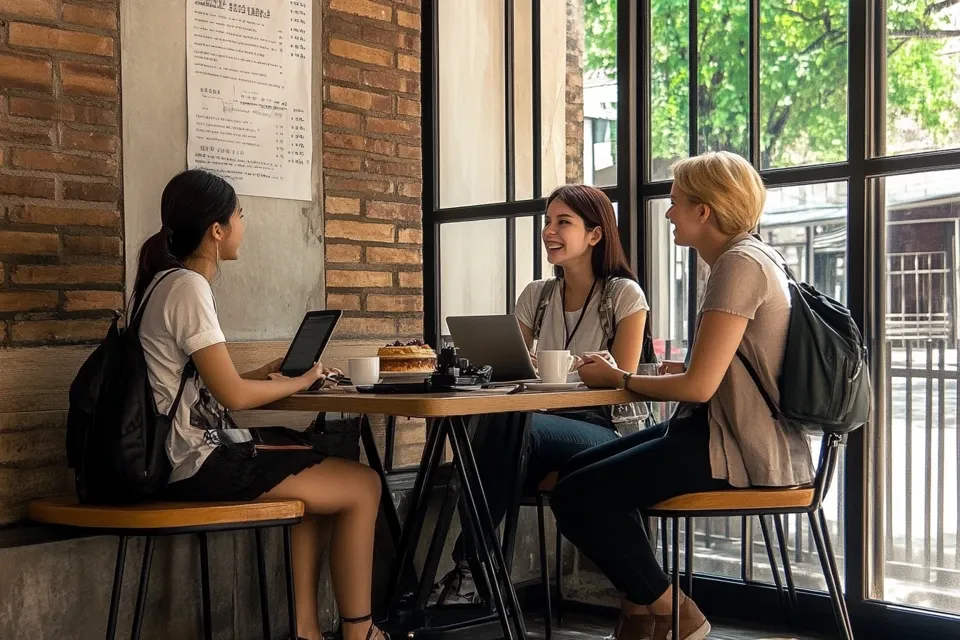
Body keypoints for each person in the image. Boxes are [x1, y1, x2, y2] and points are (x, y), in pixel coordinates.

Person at [552, 151, 815, 640]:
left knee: (576, 496)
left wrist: (621, 379)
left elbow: (698, 387)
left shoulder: (738, 265)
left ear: (705, 211)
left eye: (675, 204)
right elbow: (722, 369)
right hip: (717, 431)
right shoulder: (756, 257)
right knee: (575, 475)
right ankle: (639, 610)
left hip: (738, 447)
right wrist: (671, 370)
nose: (669, 213)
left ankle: (675, 612)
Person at [133, 169, 385, 640]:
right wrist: (306, 378)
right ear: (216, 229)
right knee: (363, 484)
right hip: (191, 461)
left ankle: (306, 633)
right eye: (240, 216)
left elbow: (206, 385)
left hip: (174, 455)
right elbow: (233, 399)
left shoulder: (158, 283)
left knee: (309, 476)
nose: (244, 226)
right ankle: (361, 632)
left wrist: (266, 374)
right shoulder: (187, 287)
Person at [431, 184, 650, 604]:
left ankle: (470, 567)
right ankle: (475, 571)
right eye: (547, 221)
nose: (549, 230)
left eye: (562, 222)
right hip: (538, 422)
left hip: (606, 431)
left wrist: (568, 370)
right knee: (505, 429)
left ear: (595, 234)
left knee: (510, 430)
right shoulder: (537, 295)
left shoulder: (623, 294)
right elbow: (507, 366)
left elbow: (621, 379)